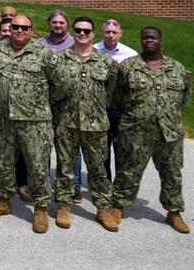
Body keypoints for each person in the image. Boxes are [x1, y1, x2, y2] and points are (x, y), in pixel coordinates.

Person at [0, 15, 63, 233]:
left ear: (32, 30)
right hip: (4, 119)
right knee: (2, 161)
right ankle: (3, 200)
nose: (18, 30)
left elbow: (61, 85)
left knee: (37, 165)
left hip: (34, 121)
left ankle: (41, 208)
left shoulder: (45, 54)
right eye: (15, 26)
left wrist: (39, 102)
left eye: (23, 27)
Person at [111, 26, 192, 234]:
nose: (149, 40)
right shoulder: (128, 66)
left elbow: (183, 98)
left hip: (169, 133)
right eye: (145, 37)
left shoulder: (177, 68)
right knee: (129, 171)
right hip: (136, 131)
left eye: (153, 38)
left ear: (161, 41)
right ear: (141, 40)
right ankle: (119, 205)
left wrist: (167, 115)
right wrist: (137, 115)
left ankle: (174, 211)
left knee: (172, 174)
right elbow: (118, 96)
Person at [52, 16, 119, 231]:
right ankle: (64, 205)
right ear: (74, 33)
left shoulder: (106, 62)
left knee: (98, 168)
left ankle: (102, 208)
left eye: (86, 31)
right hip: (66, 123)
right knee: (65, 167)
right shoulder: (60, 59)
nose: (82, 34)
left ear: (93, 34)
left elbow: (109, 92)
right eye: (78, 30)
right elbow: (53, 90)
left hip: (96, 124)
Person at [95, 19, 137, 179]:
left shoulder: (130, 54)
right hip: (99, 107)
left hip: (120, 108)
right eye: (107, 32)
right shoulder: (93, 51)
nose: (110, 35)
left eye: (114, 32)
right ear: (101, 31)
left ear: (120, 34)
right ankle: (104, 184)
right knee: (101, 150)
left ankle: (120, 186)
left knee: (122, 148)